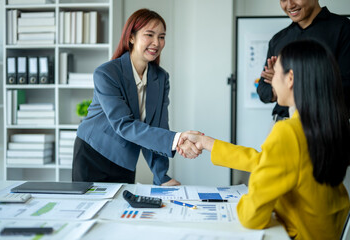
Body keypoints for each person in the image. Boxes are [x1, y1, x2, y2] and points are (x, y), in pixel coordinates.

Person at [179, 40, 350, 240]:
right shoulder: (331, 126)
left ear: (291, 78)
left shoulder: (288, 132)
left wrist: (246, 199)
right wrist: (206, 142)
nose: (271, 80)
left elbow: (251, 216)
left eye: (275, 72)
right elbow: (268, 161)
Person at [72, 9, 201, 186]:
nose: (156, 42)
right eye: (150, 35)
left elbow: (157, 127)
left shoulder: (161, 78)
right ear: (131, 37)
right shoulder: (106, 73)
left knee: (120, 211)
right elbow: (123, 124)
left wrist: (161, 176)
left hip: (125, 158)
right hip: (93, 153)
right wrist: (177, 139)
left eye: (161, 37)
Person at [257, 0, 350, 121]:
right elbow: (263, 90)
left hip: (325, 126)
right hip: (282, 122)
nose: (290, 5)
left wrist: (286, 82)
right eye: (283, 0)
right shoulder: (278, 39)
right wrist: (277, 86)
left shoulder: (343, 29)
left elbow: (346, 87)